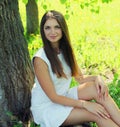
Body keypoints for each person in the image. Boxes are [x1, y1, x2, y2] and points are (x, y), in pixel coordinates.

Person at [30, 10, 120, 127]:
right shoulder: (40, 59)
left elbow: (80, 79)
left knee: (95, 89)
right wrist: (85, 104)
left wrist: (97, 78)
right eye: (47, 28)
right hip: (48, 107)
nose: (52, 32)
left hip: (64, 96)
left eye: (57, 27)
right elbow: (53, 97)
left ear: (63, 29)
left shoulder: (66, 50)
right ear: (43, 30)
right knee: (97, 113)